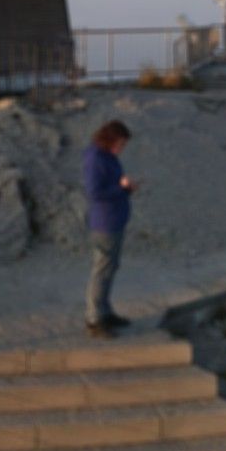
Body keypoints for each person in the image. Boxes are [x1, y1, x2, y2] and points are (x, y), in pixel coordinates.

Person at [85, 121, 143, 333]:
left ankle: (104, 312)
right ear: (109, 140)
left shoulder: (106, 156)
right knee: (102, 269)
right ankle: (94, 318)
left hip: (115, 219)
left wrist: (125, 189)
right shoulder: (96, 159)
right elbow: (94, 193)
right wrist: (121, 188)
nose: (122, 148)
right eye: (120, 144)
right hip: (105, 223)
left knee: (109, 268)